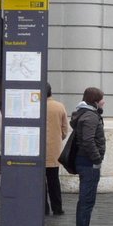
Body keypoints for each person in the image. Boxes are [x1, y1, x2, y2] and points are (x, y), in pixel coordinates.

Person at [71, 87, 106, 226]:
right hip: (88, 163)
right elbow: (88, 141)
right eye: (102, 99)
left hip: (83, 161)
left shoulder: (83, 113)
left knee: (84, 200)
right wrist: (97, 159)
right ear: (95, 101)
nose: (104, 102)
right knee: (87, 201)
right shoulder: (91, 117)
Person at [44, 83, 68, 215]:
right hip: (54, 149)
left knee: (40, 182)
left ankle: (44, 208)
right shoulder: (59, 106)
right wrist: (58, 138)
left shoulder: (37, 106)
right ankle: (57, 208)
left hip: (38, 150)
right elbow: (65, 129)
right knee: (54, 180)